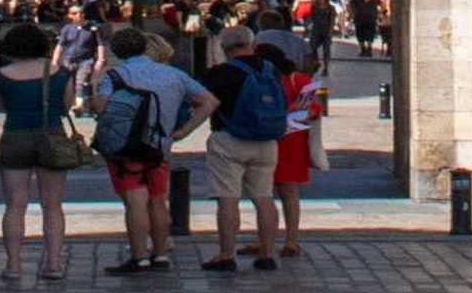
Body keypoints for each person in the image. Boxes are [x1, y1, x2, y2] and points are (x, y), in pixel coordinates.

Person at [88, 24, 202, 276]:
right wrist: (185, 130)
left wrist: (95, 86)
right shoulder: (173, 74)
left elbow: (100, 107)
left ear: (116, 50)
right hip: (160, 145)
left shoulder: (115, 75)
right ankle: (160, 254)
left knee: (135, 202)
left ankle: (138, 257)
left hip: (126, 146)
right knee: (158, 201)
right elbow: (209, 101)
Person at [0, 21, 74, 285]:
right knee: (53, 204)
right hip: (52, 137)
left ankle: (13, 265)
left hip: (15, 136)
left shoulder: (0, 75)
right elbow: (66, 106)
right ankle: (53, 263)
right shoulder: (60, 73)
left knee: (14, 206)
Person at [190, 32, 288, 272]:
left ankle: (226, 254)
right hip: (266, 139)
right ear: (252, 45)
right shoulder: (270, 70)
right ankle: (266, 254)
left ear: (224, 47)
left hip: (229, 138)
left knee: (227, 199)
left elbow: (196, 99)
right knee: (264, 198)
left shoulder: (221, 73)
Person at [266, 38, 318, 261]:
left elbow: (313, 109)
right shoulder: (261, 81)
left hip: (290, 140)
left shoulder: (299, 79)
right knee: (264, 193)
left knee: (288, 191)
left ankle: (291, 240)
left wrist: (288, 112)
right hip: (269, 139)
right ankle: (265, 239)